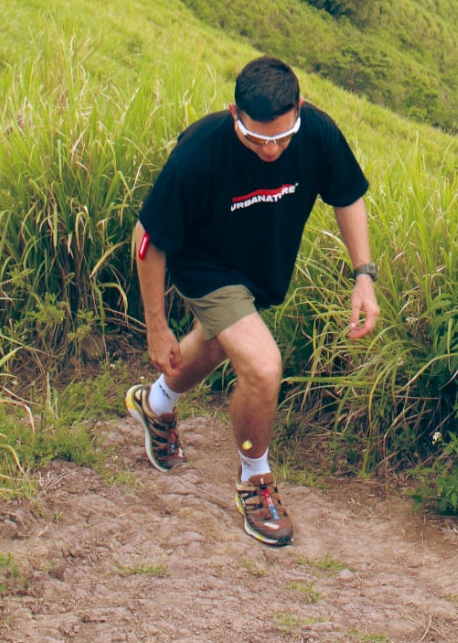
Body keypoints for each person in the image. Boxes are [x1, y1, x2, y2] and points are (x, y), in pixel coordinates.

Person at [126, 56, 379, 547]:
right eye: (257, 139)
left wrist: (363, 276)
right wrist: (156, 325)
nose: (272, 150)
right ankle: (255, 480)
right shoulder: (199, 152)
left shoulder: (318, 132)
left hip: (260, 266)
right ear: (234, 113)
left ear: (299, 108)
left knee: (221, 344)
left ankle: (156, 405)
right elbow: (148, 237)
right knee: (262, 366)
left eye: (282, 138)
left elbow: (347, 195)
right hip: (205, 265)